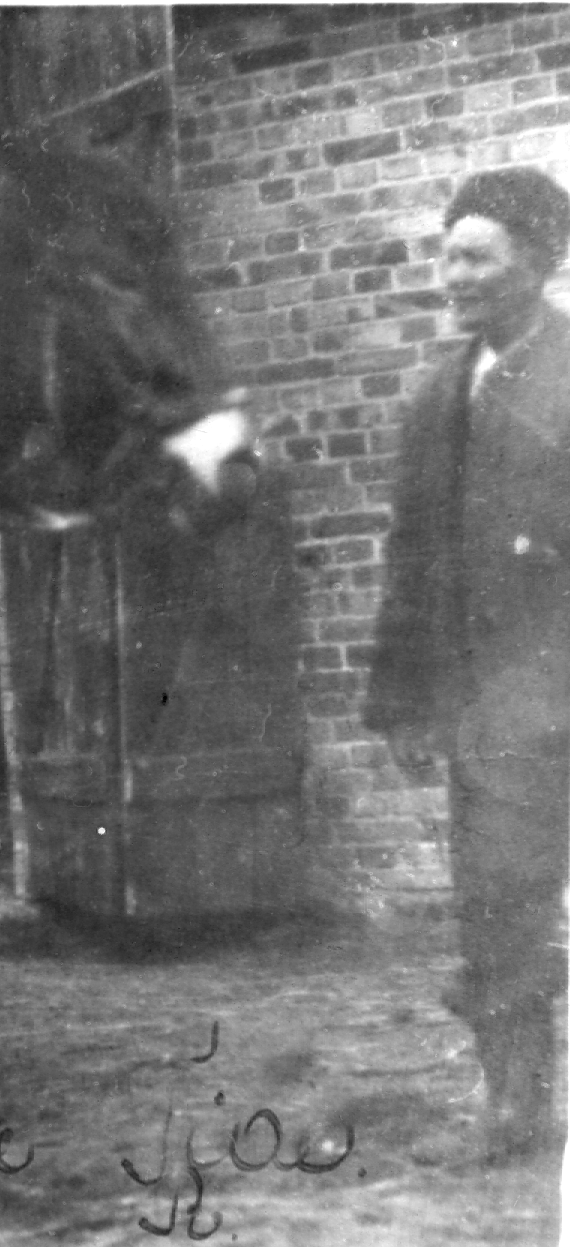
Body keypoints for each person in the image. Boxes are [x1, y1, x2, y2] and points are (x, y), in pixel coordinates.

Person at [366, 166, 570, 1164]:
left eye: (477, 256)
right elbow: (409, 556)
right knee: (497, 903)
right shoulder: (437, 391)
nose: (454, 275)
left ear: (540, 260)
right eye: (446, 255)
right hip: (492, 710)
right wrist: (401, 700)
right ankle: (516, 1103)